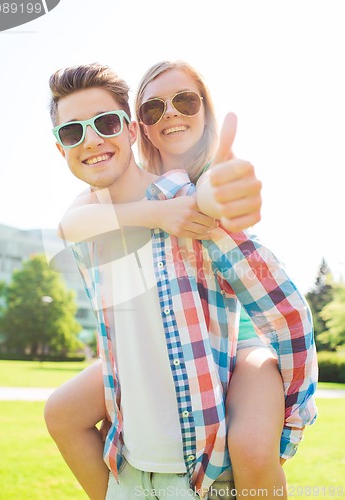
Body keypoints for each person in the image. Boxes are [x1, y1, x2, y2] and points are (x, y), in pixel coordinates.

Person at [44, 63, 317, 500]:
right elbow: (67, 225)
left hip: (217, 421)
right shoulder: (88, 226)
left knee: (251, 443)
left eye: (106, 123)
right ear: (60, 148)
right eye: (72, 132)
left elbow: (284, 310)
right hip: (131, 473)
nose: (91, 139)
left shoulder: (188, 204)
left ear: (131, 131)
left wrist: (282, 433)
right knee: (59, 412)